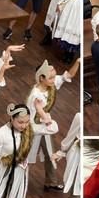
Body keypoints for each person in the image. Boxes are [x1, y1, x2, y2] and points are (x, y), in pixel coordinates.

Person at [25, 58, 80, 190]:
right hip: (34, 128)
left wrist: (77, 62)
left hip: (45, 126)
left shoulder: (51, 84)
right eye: (51, 78)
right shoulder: (34, 95)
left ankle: (51, 181)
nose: (53, 80)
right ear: (41, 78)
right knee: (26, 157)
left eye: (54, 77)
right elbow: (28, 117)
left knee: (50, 153)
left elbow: (69, 75)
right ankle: (18, 181)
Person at [51, 112, 80, 198]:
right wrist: (61, 152)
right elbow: (71, 135)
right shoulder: (79, 116)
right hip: (77, 155)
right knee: (75, 185)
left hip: (89, 157)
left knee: (78, 187)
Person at [53, 0, 81, 64]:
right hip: (72, 2)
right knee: (67, 26)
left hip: (81, 5)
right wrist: (60, 2)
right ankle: (65, 52)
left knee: (76, 30)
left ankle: (71, 54)